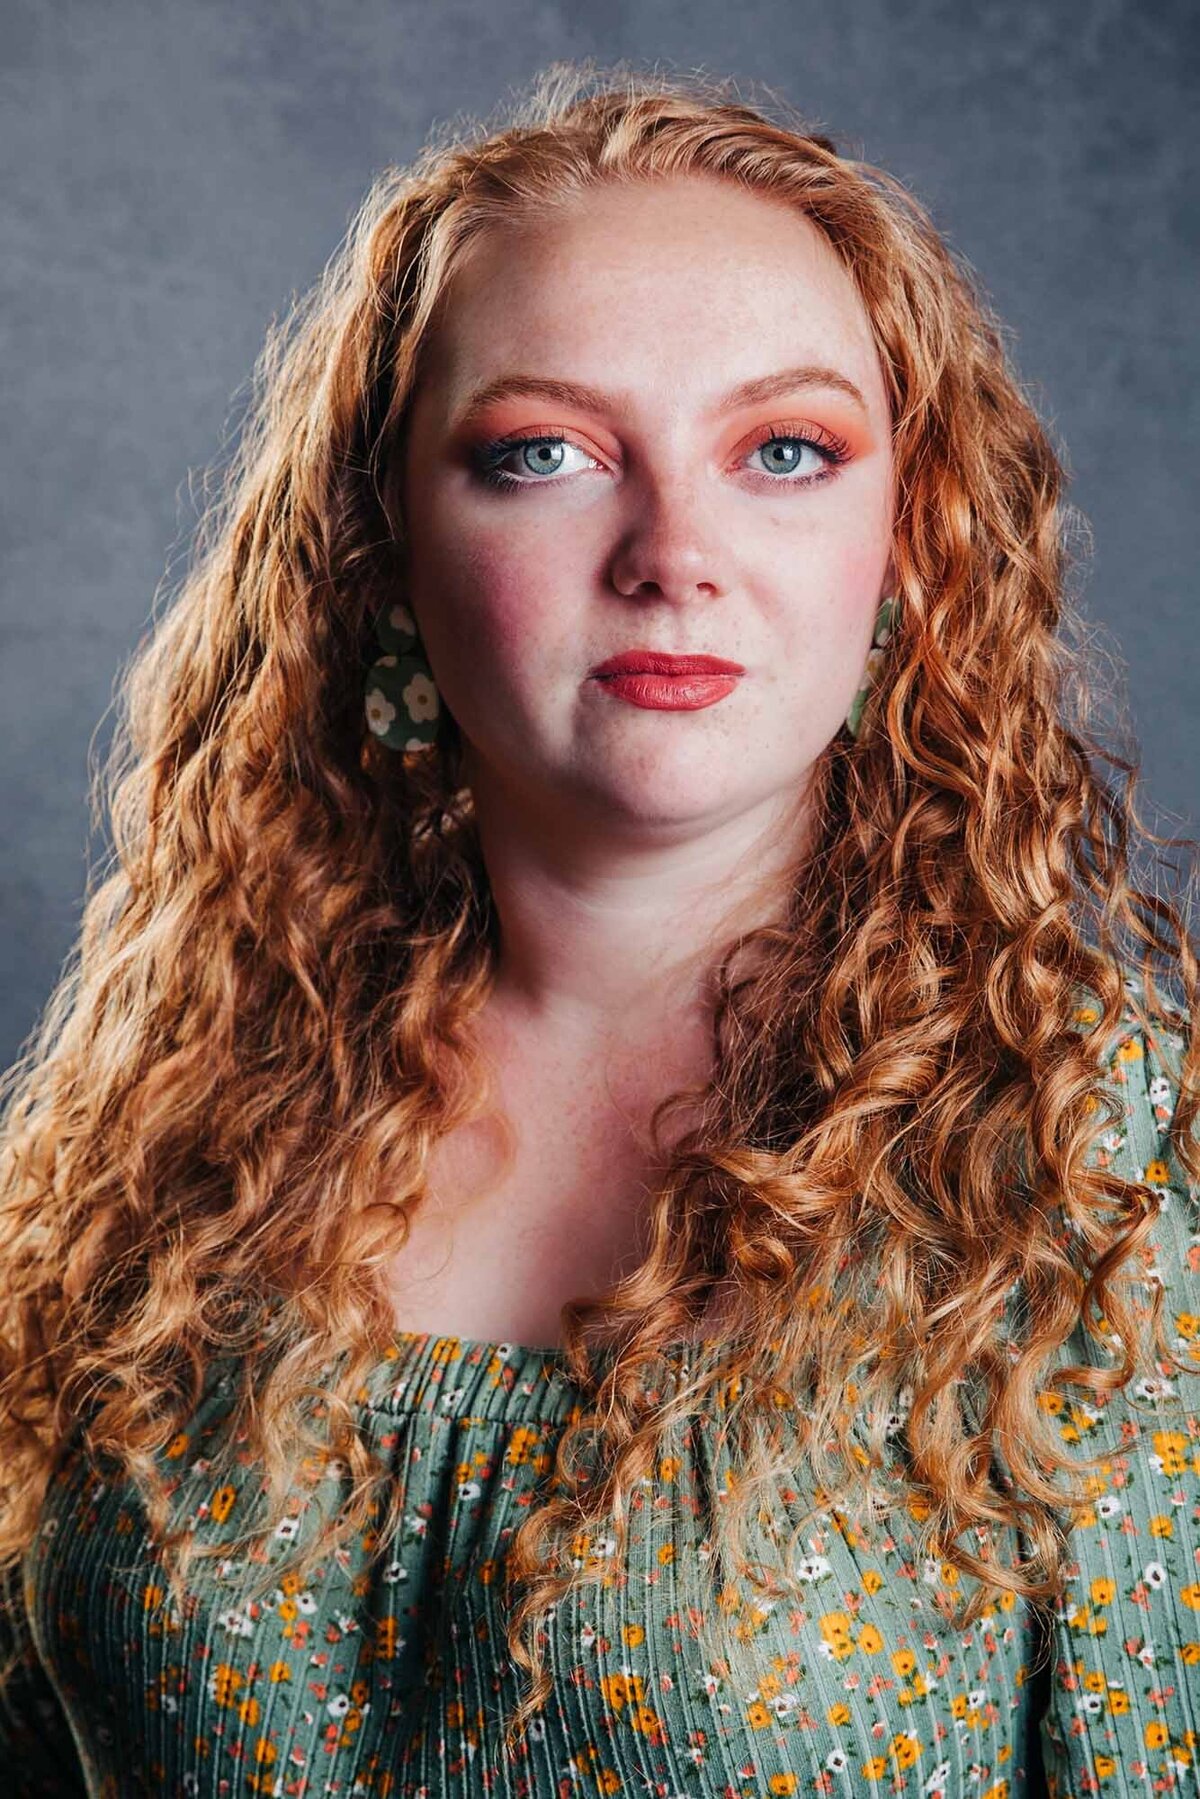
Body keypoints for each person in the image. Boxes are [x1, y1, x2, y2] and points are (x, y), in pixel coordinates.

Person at [0, 59, 1196, 1798]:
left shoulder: (1105, 1169)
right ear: (382, 545)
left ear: (910, 548)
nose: (674, 550)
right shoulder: (152, 1130)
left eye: (783, 450)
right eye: (542, 453)